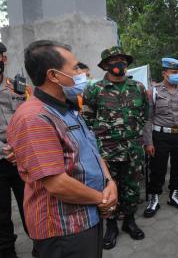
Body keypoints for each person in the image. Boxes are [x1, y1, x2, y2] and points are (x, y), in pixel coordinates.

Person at [7, 40, 118, 258]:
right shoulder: (34, 118)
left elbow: (91, 151)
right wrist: (103, 199)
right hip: (63, 229)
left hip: (89, 216)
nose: (82, 73)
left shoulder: (68, 108)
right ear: (54, 75)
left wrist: (109, 182)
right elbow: (57, 183)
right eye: (75, 68)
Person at [83, 46, 147, 249]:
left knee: (132, 188)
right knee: (109, 190)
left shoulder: (138, 88)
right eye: (114, 60)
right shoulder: (94, 89)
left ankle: (129, 222)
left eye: (123, 60)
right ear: (105, 65)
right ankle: (111, 226)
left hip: (133, 150)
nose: (120, 63)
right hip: (107, 152)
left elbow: (144, 114)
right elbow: (87, 119)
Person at [143, 58, 178, 217]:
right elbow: (148, 118)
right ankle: (154, 198)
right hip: (160, 136)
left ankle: (174, 195)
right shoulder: (154, 91)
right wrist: (148, 142)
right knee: (157, 168)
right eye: (174, 72)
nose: (177, 75)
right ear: (164, 73)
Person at [0, 42, 31, 258]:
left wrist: (18, 149)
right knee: (1, 214)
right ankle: (6, 251)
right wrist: (5, 151)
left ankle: (40, 243)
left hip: (21, 159)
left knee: (30, 205)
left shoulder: (18, 86)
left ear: (4, 58)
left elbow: (29, 119)